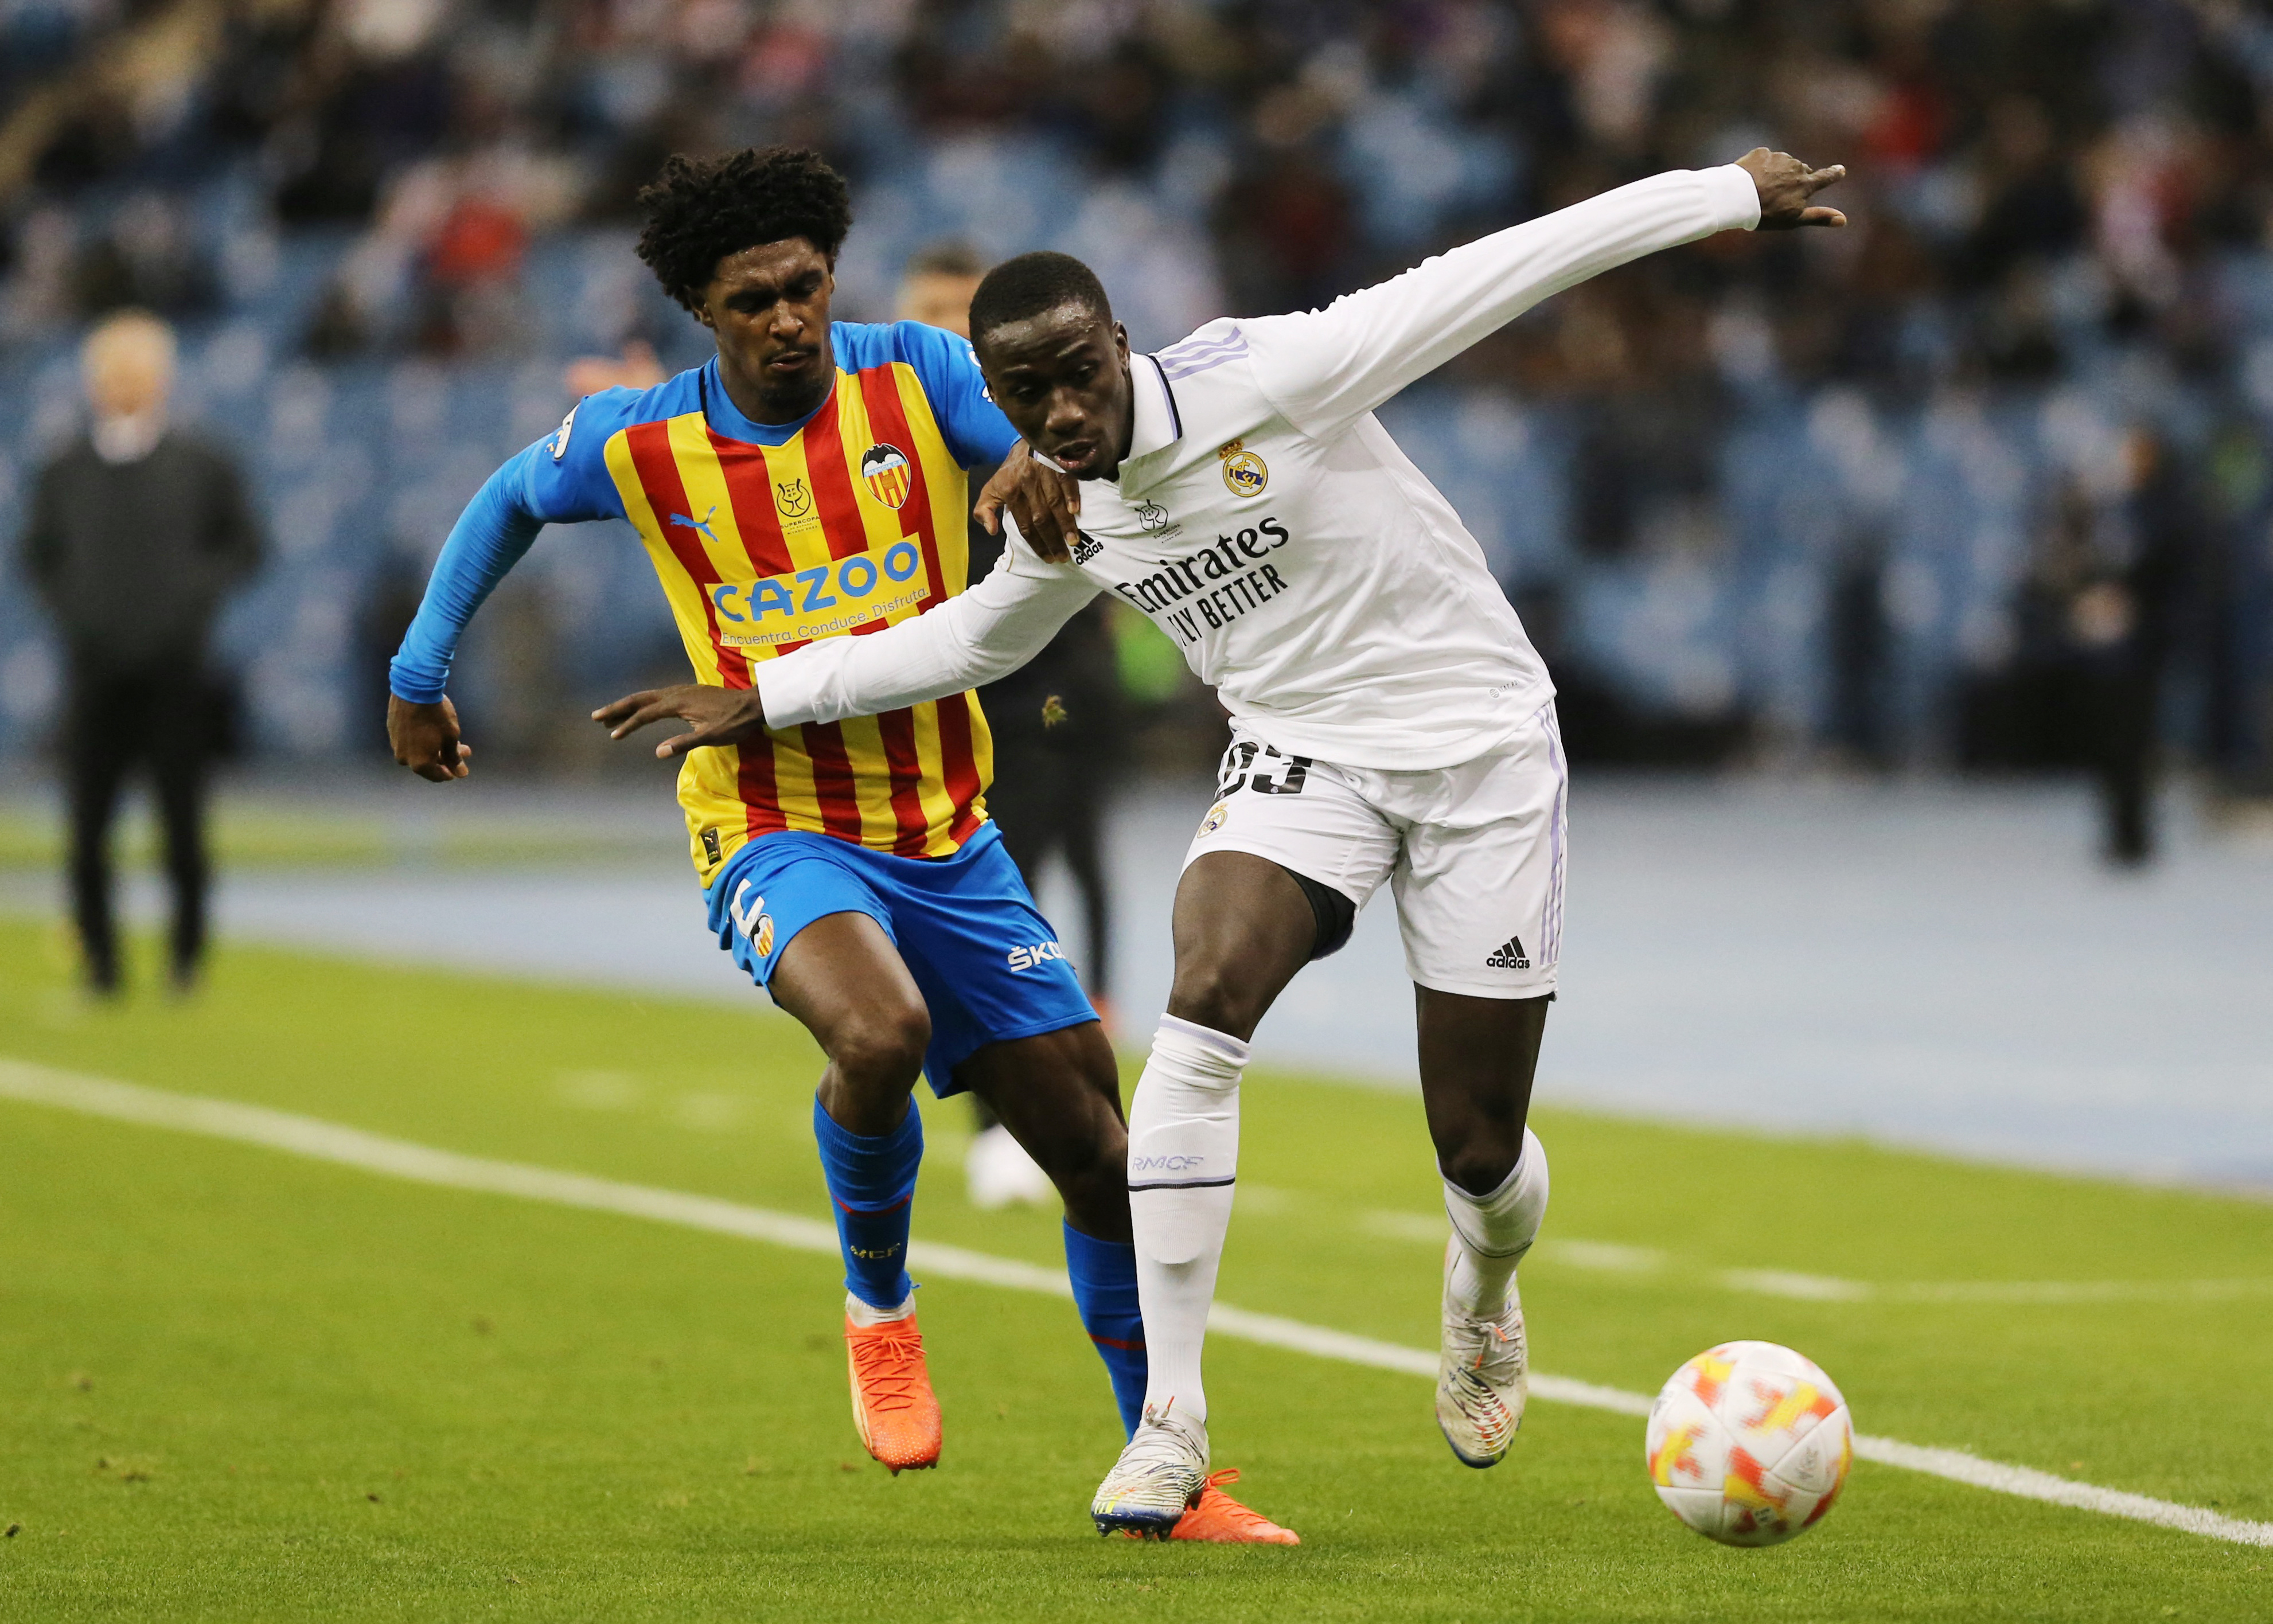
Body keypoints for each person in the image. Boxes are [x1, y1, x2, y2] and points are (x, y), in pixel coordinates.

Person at [603, 148, 1848, 1534]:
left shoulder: (1277, 373)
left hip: (1479, 745)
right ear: (996, 405)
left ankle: (1484, 1284)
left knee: (1479, 1144)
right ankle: (1171, 1424)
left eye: (1083, 373)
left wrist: (1727, 196)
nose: (1066, 411)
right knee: (1199, 1006)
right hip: (1299, 754)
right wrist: (766, 695)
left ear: (1121, 342)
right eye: (1031, 396)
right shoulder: (1060, 508)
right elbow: (963, 637)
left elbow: (1503, 271)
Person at [387, 147, 1292, 1543]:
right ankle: (881, 1307)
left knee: (1098, 1151)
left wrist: (1030, 476)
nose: (790, 317)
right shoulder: (643, 443)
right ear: (704, 309)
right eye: (755, 299)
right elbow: (508, 496)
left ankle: (1163, 1470)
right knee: (874, 1033)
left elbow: (1026, 438)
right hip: (767, 821)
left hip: (945, 827)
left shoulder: (916, 371)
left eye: (807, 285)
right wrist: (417, 669)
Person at [891, 240, 1128, 1212]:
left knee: (1082, 871)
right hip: (972, 692)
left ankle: (1074, 1102)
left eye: (961, 308)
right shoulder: (893, 431)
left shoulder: (1038, 408)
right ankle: (1001, 1120)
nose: (948, 326)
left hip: (1068, 682)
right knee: (996, 891)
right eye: (930, 310)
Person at [18, 309, 265, 996]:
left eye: (139, 370)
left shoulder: (202, 462)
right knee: (87, 825)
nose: (126, 384)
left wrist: (190, 599)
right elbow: (38, 556)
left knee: (182, 821)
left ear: (163, 379)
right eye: (114, 371)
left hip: (175, 669)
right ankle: (100, 963)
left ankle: (186, 958)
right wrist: (80, 611)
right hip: (94, 669)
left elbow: (245, 546)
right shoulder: (64, 468)